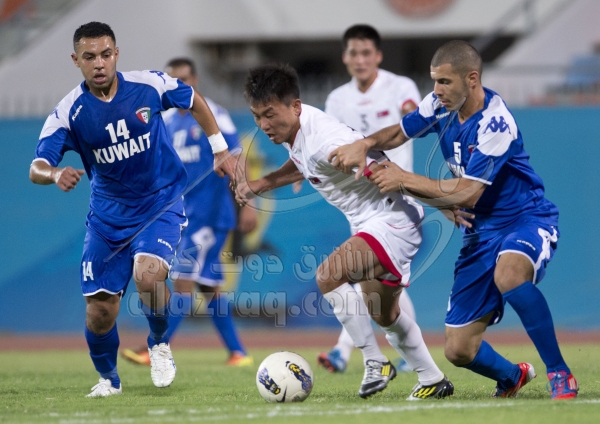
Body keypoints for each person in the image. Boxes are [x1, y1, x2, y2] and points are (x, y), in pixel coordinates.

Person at [329, 40, 578, 400]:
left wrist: (405, 179)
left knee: (509, 274)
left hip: (524, 219)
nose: (436, 90)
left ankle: (560, 372)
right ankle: (512, 376)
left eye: (444, 81)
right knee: (458, 350)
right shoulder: (440, 105)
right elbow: (399, 132)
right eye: (434, 80)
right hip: (479, 232)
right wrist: (365, 144)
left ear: (471, 79)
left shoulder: (496, 123)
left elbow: (468, 193)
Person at [29, 22, 238, 397]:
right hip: (108, 220)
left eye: (105, 54)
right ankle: (108, 379)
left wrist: (219, 148)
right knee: (100, 312)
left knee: (148, 275)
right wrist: (55, 172)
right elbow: (36, 167)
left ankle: (159, 342)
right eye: (89, 57)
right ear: (76, 60)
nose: (99, 63)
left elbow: (192, 98)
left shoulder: (148, 85)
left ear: (116, 54)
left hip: (161, 204)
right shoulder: (68, 113)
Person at [236, 63, 454, 400]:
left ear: (294, 106)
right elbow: (303, 162)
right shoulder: (296, 128)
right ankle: (432, 379)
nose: (263, 125)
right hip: (372, 223)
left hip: (392, 219)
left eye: (269, 114)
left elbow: (385, 170)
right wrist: (261, 184)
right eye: (256, 116)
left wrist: (443, 201)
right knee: (384, 313)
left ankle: (374, 361)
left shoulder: (326, 139)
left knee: (328, 276)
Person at [121, 58, 256, 367]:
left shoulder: (213, 114)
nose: (180, 84)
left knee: (182, 279)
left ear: (195, 79)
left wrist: (247, 204)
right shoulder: (168, 121)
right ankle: (238, 353)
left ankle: (155, 348)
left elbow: (238, 157)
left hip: (210, 215)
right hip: (183, 216)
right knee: (208, 286)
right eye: (174, 80)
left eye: (185, 78)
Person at [317, 24, 421, 374]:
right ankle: (411, 356)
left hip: (395, 199)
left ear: (378, 56)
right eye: (353, 53)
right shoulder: (337, 100)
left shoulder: (400, 87)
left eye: (366, 53)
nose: (360, 60)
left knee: (369, 277)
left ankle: (343, 352)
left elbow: (413, 120)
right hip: (360, 202)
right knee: (386, 281)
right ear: (345, 57)